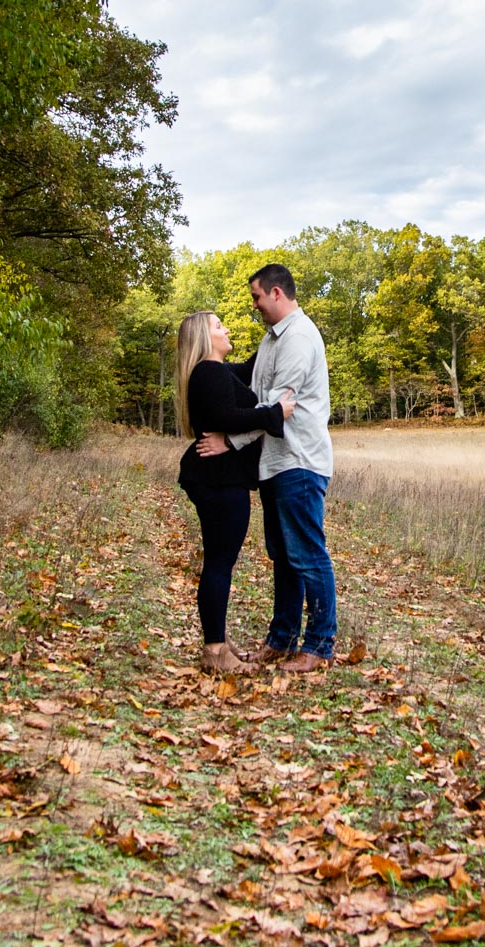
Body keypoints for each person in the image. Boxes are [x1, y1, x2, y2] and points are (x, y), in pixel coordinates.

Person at [197, 263, 338, 673]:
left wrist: (229, 440)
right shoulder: (272, 340)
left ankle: (320, 645)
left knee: (308, 554)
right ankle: (281, 640)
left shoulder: (298, 338)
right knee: (284, 556)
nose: (255, 305)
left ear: (276, 293)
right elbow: (251, 393)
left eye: (257, 297)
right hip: (275, 463)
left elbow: (277, 408)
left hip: (299, 460)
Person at [173, 310, 294, 674]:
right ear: (205, 338)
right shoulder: (208, 372)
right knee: (219, 564)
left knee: (219, 562)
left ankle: (218, 640)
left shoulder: (219, 371)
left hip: (217, 477)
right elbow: (229, 415)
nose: (226, 330)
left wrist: (277, 330)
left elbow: (250, 369)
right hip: (218, 479)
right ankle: (214, 651)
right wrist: (275, 412)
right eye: (219, 326)